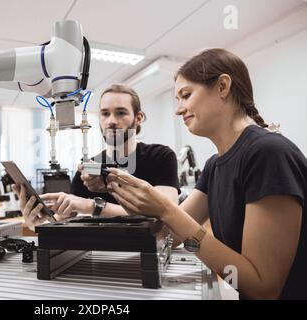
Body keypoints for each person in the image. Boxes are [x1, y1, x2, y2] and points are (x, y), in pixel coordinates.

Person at [106, 48, 307, 300]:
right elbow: (171, 233)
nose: (178, 110)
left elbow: (263, 288)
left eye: (186, 95)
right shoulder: (214, 165)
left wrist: (165, 209)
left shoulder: (267, 153)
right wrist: (133, 202)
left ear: (223, 86)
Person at [14, 84, 180, 231]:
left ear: (138, 118)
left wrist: (93, 206)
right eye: (105, 114)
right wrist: (39, 223)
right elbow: (63, 219)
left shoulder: (161, 156)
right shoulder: (88, 168)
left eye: (121, 113)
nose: (111, 121)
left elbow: (167, 211)